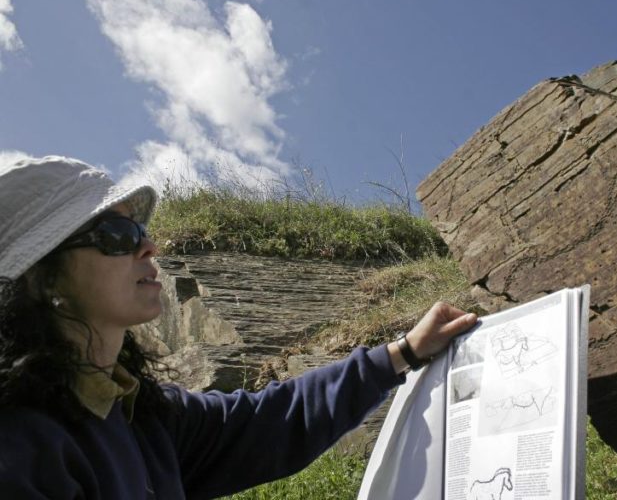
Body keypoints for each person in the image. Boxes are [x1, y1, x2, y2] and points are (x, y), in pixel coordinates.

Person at [0, 156, 477, 499]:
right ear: (42, 279)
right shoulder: (20, 450)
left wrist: (404, 353)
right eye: (117, 235)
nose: (149, 247)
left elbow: (270, 419)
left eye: (141, 231)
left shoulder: (138, 413)